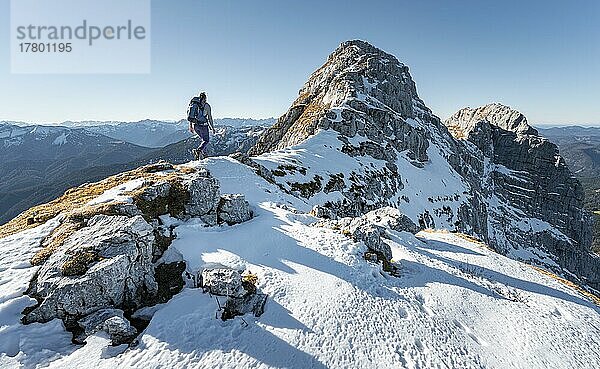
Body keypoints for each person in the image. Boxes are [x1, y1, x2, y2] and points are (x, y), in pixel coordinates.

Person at [187, 91, 215, 160]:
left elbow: (191, 116)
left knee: (203, 140)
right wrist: (212, 128)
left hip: (195, 126)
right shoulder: (207, 106)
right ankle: (199, 150)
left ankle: (204, 154)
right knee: (206, 140)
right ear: (205, 98)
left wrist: (190, 126)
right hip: (203, 126)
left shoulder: (195, 104)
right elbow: (209, 118)